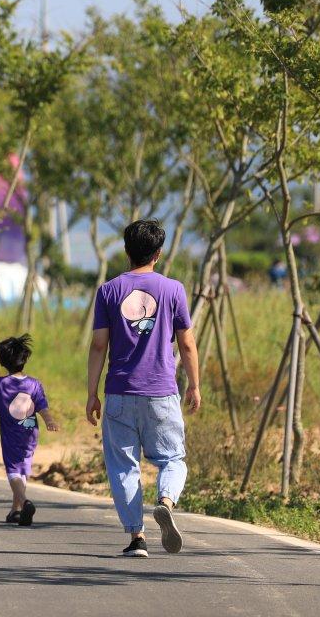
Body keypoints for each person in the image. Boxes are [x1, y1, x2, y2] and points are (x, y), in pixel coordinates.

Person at [86, 219, 200, 558]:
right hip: (161, 392)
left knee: (123, 466)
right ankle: (165, 500)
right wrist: (194, 385)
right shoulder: (173, 289)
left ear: (126, 250)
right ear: (159, 253)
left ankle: (137, 537)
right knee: (173, 459)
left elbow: (98, 346)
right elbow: (188, 344)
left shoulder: (108, 291)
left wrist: (92, 393)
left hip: (120, 391)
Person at [0, 335, 59, 526]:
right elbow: (42, 406)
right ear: (24, 359)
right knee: (23, 469)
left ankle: (25, 501)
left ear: (2, 361)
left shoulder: (0, 384)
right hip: (31, 435)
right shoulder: (34, 384)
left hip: (11, 434)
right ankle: (15, 510)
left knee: (13, 471)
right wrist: (49, 421)